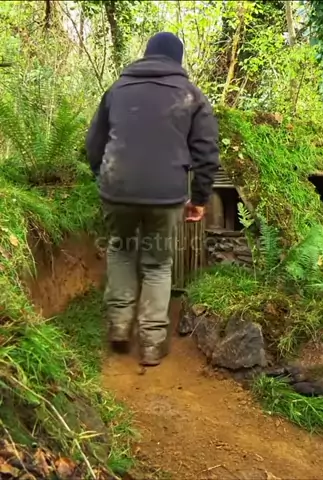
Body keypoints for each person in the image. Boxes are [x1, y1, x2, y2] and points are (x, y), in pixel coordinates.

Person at [85, 32, 219, 367]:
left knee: (122, 249)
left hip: (117, 190)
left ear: (146, 55)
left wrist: (102, 176)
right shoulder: (191, 95)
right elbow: (206, 153)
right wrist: (200, 198)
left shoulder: (117, 89)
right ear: (177, 59)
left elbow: (94, 144)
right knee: (158, 263)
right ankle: (152, 342)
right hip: (166, 194)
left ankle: (119, 326)